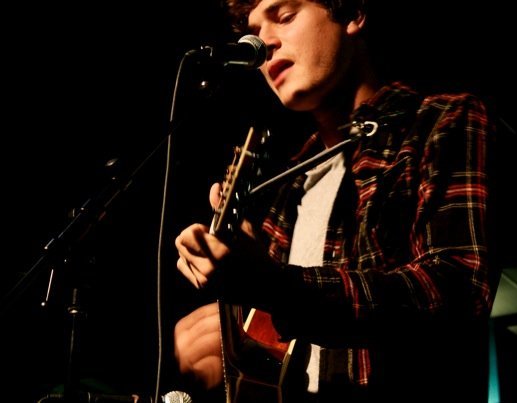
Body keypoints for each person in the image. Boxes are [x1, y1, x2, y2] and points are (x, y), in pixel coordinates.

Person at [173, 0, 499, 402]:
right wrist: (225, 347)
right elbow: (272, 346)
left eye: (284, 17)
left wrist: (275, 286)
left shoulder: (443, 121)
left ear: (353, 15)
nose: (263, 43)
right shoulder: (289, 185)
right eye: (253, 32)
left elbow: (458, 291)